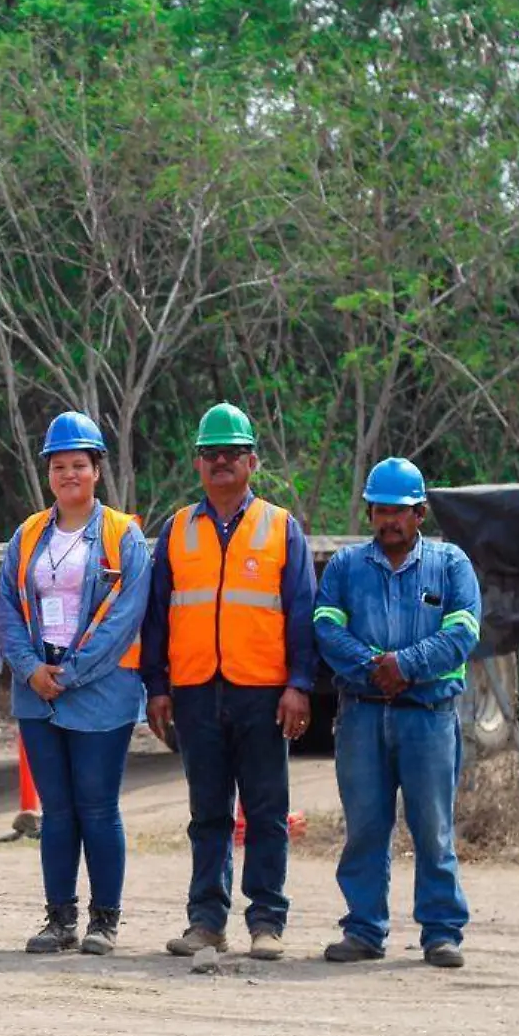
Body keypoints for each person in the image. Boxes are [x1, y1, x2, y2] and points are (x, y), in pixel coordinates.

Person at [139, 402, 316, 962]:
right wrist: (157, 686)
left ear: (252, 462)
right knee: (207, 812)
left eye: (231, 454)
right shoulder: (176, 531)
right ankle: (207, 921)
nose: (221, 463)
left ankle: (266, 920)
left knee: (265, 810)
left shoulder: (280, 527)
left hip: (262, 691)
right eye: (211, 455)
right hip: (195, 690)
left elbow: (302, 611)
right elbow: (156, 615)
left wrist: (299, 684)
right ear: (198, 464)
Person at [314, 457, 479, 969]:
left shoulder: (451, 565)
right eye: (381, 510)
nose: (390, 521)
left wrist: (405, 665)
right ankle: (364, 929)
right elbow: (324, 626)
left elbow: (463, 632)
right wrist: (372, 668)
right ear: (369, 512)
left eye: (401, 512)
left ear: (421, 513)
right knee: (365, 826)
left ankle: (441, 932)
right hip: (362, 717)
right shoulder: (345, 568)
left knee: (433, 828)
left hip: (427, 717)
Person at [0, 412, 152, 955]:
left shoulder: (121, 536)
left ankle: (103, 921)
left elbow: (126, 615)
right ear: (49, 474)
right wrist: (31, 669)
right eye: (59, 466)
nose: (69, 475)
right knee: (57, 811)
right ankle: (58, 918)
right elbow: (9, 610)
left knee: (98, 808)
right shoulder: (28, 535)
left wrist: (74, 671)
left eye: (78, 465)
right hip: (38, 692)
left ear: (97, 471)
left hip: (101, 691)